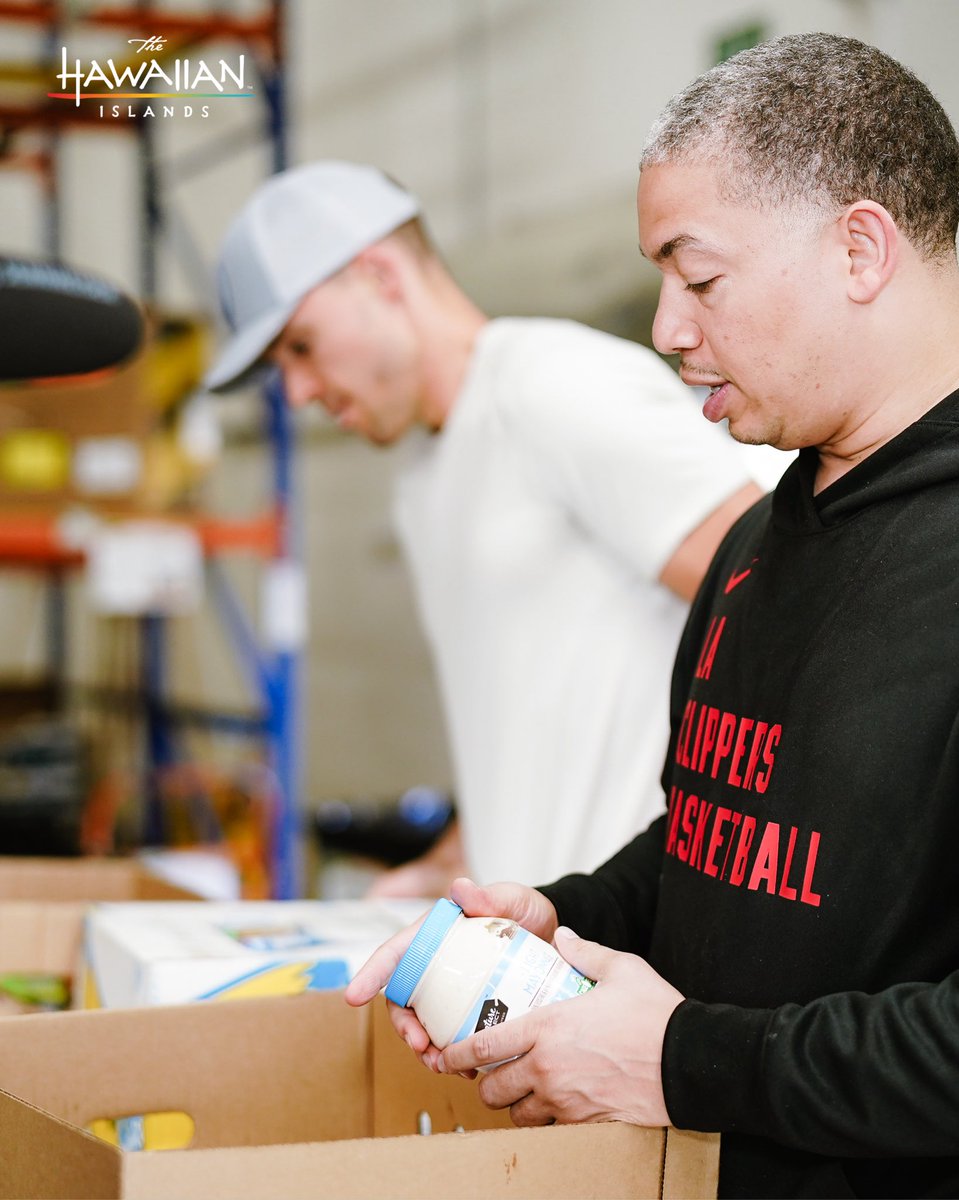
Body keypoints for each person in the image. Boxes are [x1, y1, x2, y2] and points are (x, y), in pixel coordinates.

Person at [345, 32, 959, 1199]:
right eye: (659, 278)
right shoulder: (746, 554)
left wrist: (681, 1062)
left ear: (860, 248)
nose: (667, 328)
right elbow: (704, 843)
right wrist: (557, 921)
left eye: (700, 275)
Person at [206, 160, 764, 895]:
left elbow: (787, 595)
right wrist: (452, 860)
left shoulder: (550, 389)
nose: (299, 390)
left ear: (379, 276)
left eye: (301, 346)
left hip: (631, 947)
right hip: (537, 956)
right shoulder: (425, 472)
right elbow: (528, 724)